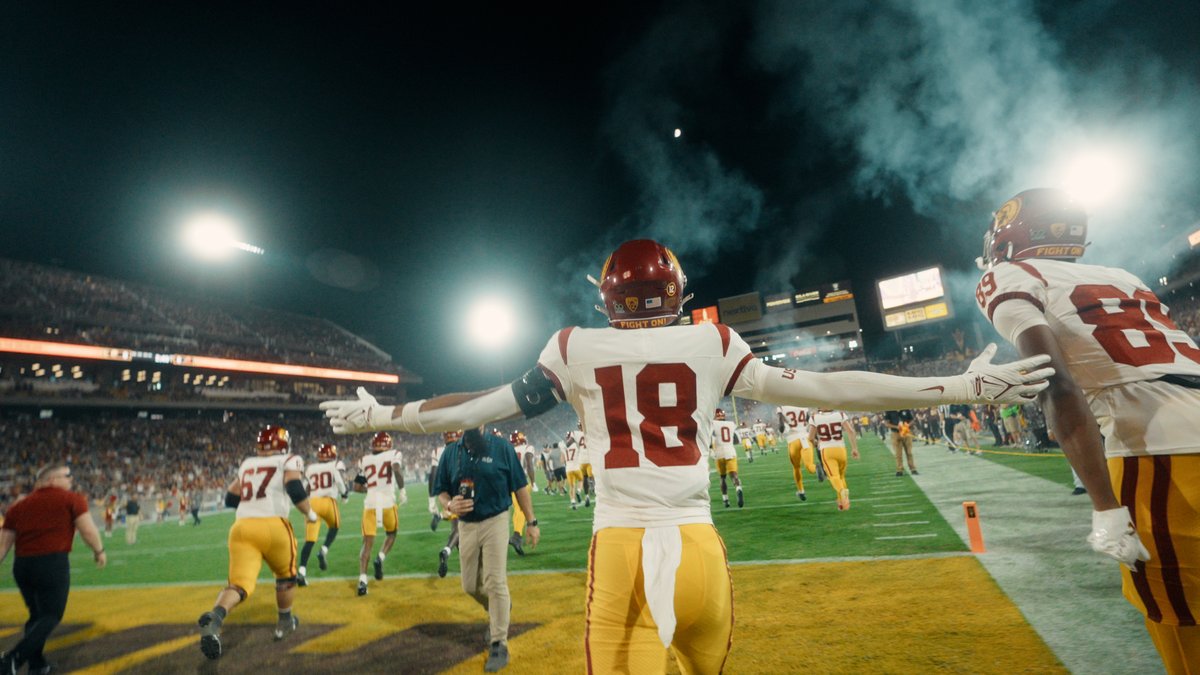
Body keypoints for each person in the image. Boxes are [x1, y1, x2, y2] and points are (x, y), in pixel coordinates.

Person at [322, 238, 1051, 673]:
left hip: (623, 553)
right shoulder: (712, 342)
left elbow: (479, 408)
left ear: (607, 295)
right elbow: (832, 387)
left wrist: (381, 415)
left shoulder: (575, 346)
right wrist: (959, 382)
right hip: (699, 548)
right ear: (675, 292)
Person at [974, 188, 1200, 672]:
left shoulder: (1010, 275)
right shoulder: (1122, 276)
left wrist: (1105, 508)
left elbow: (1057, 385)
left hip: (1162, 448)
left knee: (1181, 624)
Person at [196, 425, 319, 660]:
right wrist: (310, 513)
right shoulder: (289, 459)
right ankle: (284, 622)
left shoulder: (247, 463)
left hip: (242, 528)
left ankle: (216, 617)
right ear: (283, 444)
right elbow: (294, 487)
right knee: (285, 577)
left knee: (239, 585)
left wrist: (253, 503)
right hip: (273, 526)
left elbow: (231, 497)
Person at [433, 427, 539, 672]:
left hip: (496, 519)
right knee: (469, 585)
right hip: (466, 525)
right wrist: (450, 503)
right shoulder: (450, 452)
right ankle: (499, 609)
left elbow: (520, 486)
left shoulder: (501, 447)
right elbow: (441, 489)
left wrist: (531, 521)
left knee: (494, 581)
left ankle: (499, 642)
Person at [0, 464, 107, 674]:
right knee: (51, 615)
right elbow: (87, 530)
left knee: (36, 615)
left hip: (22, 566)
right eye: (67, 475)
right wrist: (99, 550)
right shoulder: (71, 499)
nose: (71, 480)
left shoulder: (18, 506)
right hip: (51, 562)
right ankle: (12, 659)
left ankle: (37, 664)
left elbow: (3, 545)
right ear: (51, 479)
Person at [351, 431, 405, 596]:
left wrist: (372, 489)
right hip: (388, 502)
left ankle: (362, 581)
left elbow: (357, 487)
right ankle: (380, 557)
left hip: (371, 504)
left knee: (366, 544)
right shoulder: (394, 454)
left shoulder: (364, 460)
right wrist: (402, 489)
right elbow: (395, 468)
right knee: (392, 534)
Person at [297, 443, 348, 586]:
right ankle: (324, 550)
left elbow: (305, 486)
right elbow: (339, 481)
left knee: (309, 541)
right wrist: (344, 494)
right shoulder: (334, 465)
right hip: (328, 502)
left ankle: (301, 572)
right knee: (335, 526)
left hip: (312, 503)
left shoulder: (310, 468)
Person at [808, 409, 860, 510]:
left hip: (827, 450)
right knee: (841, 477)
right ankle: (843, 504)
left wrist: (816, 443)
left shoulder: (815, 417)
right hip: (841, 449)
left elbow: (810, 437)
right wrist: (854, 448)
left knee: (833, 476)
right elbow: (851, 431)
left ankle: (842, 492)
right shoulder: (840, 414)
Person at [777, 404, 813, 500]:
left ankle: (801, 491)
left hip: (793, 440)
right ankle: (817, 468)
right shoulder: (802, 405)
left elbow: (781, 427)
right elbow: (811, 421)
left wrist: (782, 429)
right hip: (805, 437)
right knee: (810, 466)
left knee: (796, 467)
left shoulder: (782, 407)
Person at [710, 408, 744, 507]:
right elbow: (737, 440)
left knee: (722, 477)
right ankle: (738, 488)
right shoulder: (731, 424)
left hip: (719, 453)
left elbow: (709, 438)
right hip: (730, 451)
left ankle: (725, 499)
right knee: (734, 475)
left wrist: (711, 449)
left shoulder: (712, 424)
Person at [883, 409, 918, 476]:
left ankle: (913, 468)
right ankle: (899, 469)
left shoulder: (905, 408)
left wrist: (907, 425)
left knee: (909, 452)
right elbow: (886, 423)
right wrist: (896, 427)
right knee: (898, 453)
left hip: (906, 433)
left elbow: (912, 420)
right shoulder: (889, 410)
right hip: (895, 433)